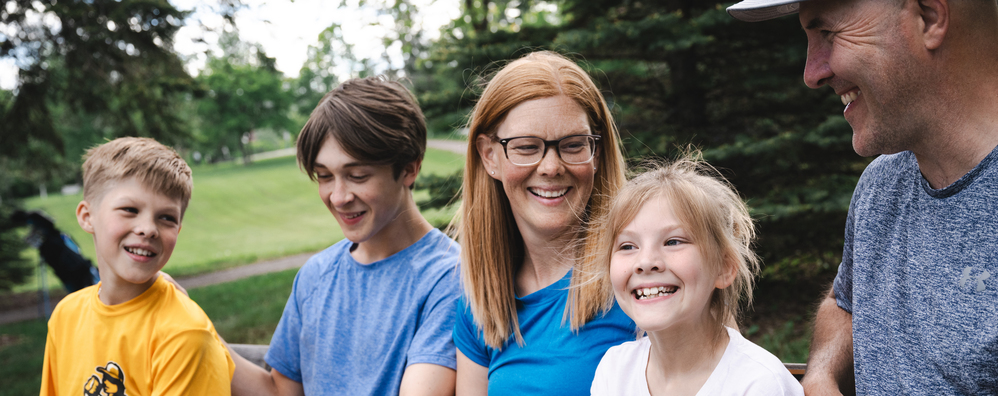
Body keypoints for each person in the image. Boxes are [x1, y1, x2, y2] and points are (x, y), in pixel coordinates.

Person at [727, 0, 998, 394]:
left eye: (828, 33)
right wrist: (821, 376)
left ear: (930, 17)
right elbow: (846, 302)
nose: (812, 73)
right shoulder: (882, 184)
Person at [228, 76, 461, 396]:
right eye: (324, 177)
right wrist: (194, 331)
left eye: (357, 176)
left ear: (409, 168)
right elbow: (281, 391)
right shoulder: (316, 275)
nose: (338, 197)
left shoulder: (449, 277)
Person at [453, 51, 637, 395]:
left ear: (596, 152)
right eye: (526, 147)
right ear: (489, 155)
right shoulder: (480, 303)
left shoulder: (640, 274)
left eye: (572, 145)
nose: (551, 167)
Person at [585, 157, 803, 395]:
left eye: (673, 241)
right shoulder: (615, 370)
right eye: (627, 246)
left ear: (724, 267)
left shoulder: (759, 383)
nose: (645, 262)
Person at [40, 137, 235, 395]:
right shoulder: (65, 316)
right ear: (88, 217)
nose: (148, 229)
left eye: (166, 217)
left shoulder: (184, 334)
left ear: (178, 228)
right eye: (130, 209)